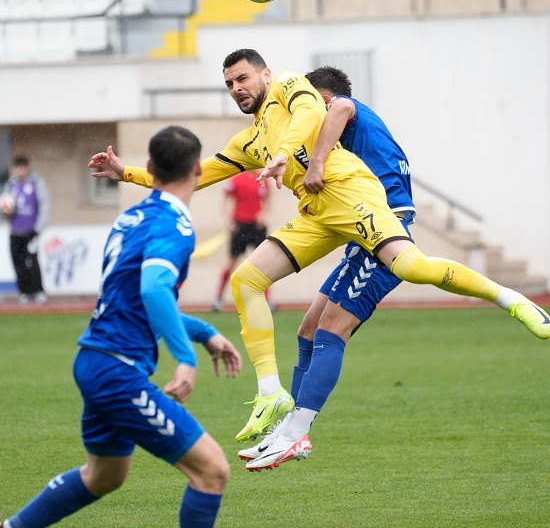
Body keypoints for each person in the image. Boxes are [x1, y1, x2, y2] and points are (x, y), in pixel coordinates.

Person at [88, 49, 550, 468]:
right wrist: (123, 173)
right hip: (317, 214)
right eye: (229, 84)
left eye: (243, 78)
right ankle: (272, 394)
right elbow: (197, 174)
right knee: (246, 280)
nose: (237, 89)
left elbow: (313, 110)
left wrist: (297, 158)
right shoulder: (250, 141)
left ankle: (509, 298)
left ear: (265, 73)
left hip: (352, 194)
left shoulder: (291, 87)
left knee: (409, 267)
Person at [0, 125, 249, 528]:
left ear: (150, 170)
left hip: (94, 358)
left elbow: (136, 297)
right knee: (212, 470)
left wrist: (204, 333)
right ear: (198, 170)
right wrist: (186, 356)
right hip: (117, 370)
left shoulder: (130, 216)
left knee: (104, 475)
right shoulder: (176, 227)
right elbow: (156, 289)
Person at [238, 64, 416, 466]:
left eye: (312, 104)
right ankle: (286, 432)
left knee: (332, 327)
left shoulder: (341, 109)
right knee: (307, 329)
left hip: (388, 227)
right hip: (363, 231)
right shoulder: (351, 129)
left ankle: (296, 433)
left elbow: (335, 113)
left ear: (326, 97)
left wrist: (315, 164)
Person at [212, 170, 272, 312]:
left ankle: (267, 300)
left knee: (264, 263)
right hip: (240, 225)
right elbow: (226, 198)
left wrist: (262, 215)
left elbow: (267, 199)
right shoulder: (236, 180)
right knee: (231, 261)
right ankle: (218, 298)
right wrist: (228, 220)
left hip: (257, 226)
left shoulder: (262, 179)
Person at [1, 153, 50, 304]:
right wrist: (6, 212)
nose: (20, 171)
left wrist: (38, 228)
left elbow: (45, 206)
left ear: (27, 168)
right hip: (15, 231)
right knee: (18, 263)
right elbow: (5, 209)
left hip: (31, 231)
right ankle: (24, 292)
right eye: (17, 167)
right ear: (14, 169)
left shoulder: (36, 183)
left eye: (23, 167)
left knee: (32, 261)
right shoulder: (10, 185)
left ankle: (39, 290)